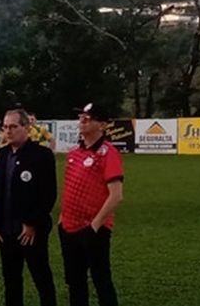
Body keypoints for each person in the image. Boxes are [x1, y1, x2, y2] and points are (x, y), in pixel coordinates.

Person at [0, 109, 57, 306]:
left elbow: (48, 194)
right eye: (5, 127)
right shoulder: (3, 154)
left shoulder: (42, 155)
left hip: (31, 230)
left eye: (13, 126)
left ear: (27, 128)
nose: (8, 131)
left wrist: (32, 222)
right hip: (6, 229)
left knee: (41, 275)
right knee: (11, 280)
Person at [59, 103, 123, 306]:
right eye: (81, 117)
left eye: (89, 118)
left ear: (102, 125)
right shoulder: (74, 153)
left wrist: (95, 226)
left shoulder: (108, 153)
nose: (83, 120)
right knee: (75, 282)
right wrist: (62, 220)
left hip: (94, 229)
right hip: (69, 227)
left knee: (101, 280)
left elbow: (116, 196)